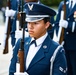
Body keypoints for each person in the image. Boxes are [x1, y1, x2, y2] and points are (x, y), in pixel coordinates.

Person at [9, 2, 67, 75]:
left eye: (36, 23)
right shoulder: (20, 43)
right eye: (29, 22)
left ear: (47, 24)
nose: (30, 27)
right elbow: (11, 71)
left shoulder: (56, 50)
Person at [55, 0, 76, 75]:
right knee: (66, 70)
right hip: (65, 44)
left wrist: (69, 25)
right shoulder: (63, 4)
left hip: (74, 44)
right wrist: (60, 37)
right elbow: (57, 23)